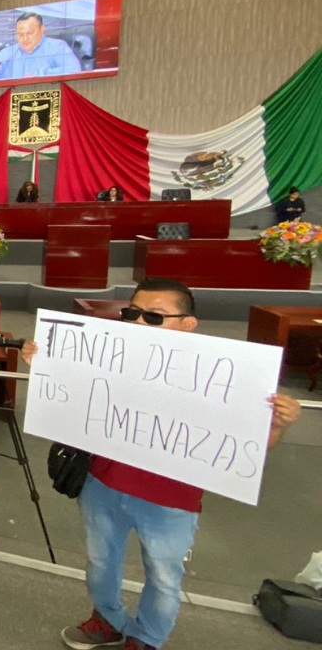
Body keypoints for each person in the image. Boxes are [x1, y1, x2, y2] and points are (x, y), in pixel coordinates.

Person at [19, 277, 301, 650]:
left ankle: (147, 637)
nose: (139, 322)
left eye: (154, 316)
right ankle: (108, 620)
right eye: (132, 313)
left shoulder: (217, 375)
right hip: (103, 483)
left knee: (164, 576)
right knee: (100, 562)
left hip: (171, 500)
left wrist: (277, 425)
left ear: (188, 324)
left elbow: (245, 448)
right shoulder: (109, 354)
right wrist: (46, 365)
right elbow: (71, 400)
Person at [0, 12, 82, 82]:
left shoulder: (56, 47)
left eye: (30, 33)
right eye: (20, 34)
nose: (25, 39)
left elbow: (74, 69)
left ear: (42, 29)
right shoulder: (7, 53)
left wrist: (41, 75)